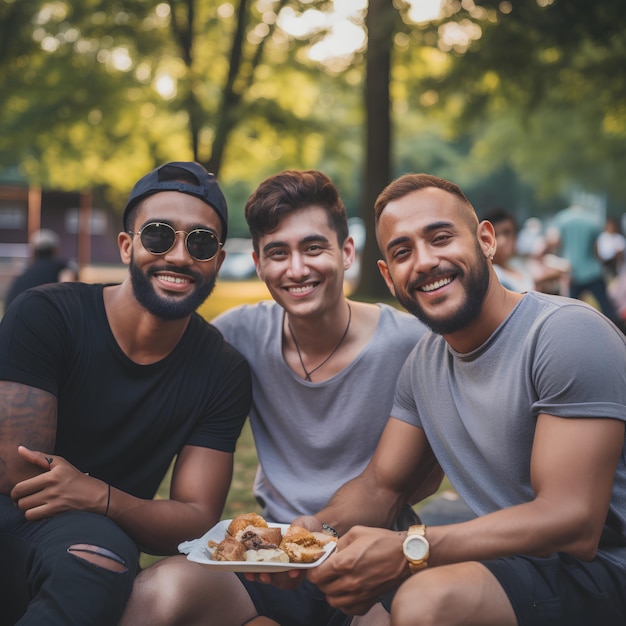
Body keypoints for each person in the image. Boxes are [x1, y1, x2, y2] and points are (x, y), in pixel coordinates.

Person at [292, 173, 626, 626]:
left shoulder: (565, 333)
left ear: (486, 240)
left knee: (427, 601)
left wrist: (416, 546)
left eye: (441, 237)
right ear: (389, 277)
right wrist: (319, 530)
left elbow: (573, 521)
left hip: (602, 570)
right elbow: (380, 488)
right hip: (516, 563)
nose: (425, 261)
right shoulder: (423, 364)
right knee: (366, 615)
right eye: (403, 251)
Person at [120, 169, 431, 626]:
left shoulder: (411, 344)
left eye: (313, 247)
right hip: (270, 555)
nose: (297, 269)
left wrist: (329, 531)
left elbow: (425, 476)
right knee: (155, 594)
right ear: (259, 264)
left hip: (371, 555)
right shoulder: (237, 335)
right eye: (277, 253)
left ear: (346, 252)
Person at [0, 161, 252, 625]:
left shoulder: (224, 371)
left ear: (216, 259)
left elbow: (196, 519)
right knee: (97, 551)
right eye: (158, 235)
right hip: (10, 516)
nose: (178, 256)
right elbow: (20, 478)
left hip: (99, 535)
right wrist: (111, 508)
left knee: (98, 555)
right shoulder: (46, 316)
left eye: (200, 242)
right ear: (125, 245)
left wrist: (101, 497)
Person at [550, 203, 620, 323]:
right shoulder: (592, 220)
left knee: (570, 308)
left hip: (574, 271)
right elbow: (596, 248)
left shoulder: (562, 218)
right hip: (594, 271)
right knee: (606, 307)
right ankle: (620, 332)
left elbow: (555, 241)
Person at [4, 228, 78, 310]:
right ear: (55, 249)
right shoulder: (62, 267)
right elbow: (68, 292)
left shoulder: (24, 272)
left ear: (34, 251)